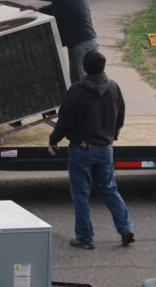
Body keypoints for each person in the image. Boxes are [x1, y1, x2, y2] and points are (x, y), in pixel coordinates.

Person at [47, 50, 134, 249]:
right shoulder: (114, 88)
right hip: (105, 148)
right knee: (109, 189)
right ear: (103, 67)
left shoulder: (76, 91)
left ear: (85, 68)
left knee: (81, 193)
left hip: (82, 149)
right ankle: (125, 228)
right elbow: (120, 116)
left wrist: (54, 139)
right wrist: (113, 135)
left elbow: (65, 121)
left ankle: (85, 237)